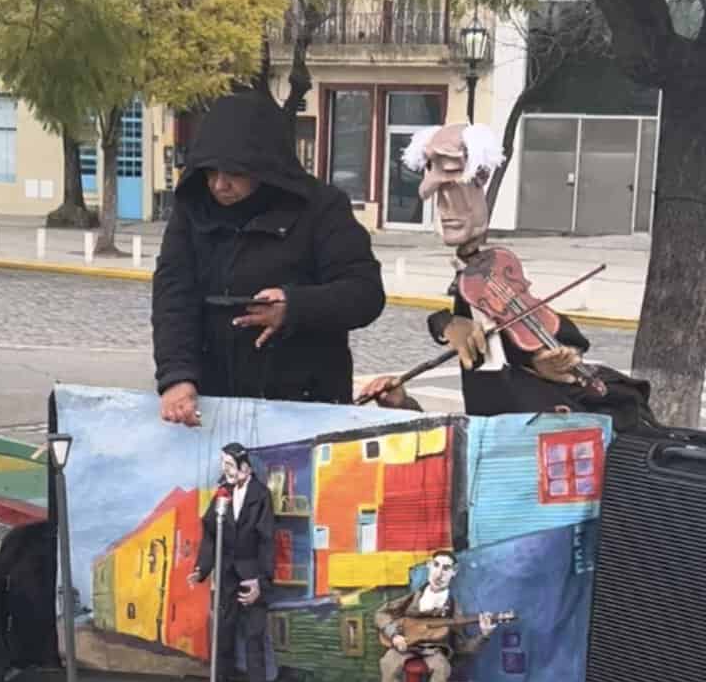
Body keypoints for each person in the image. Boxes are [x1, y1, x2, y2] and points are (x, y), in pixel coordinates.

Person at [360, 123, 654, 427]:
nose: (447, 210)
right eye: (441, 200)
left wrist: (542, 360)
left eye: (460, 197)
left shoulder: (548, 401)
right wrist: (406, 401)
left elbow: (536, 330)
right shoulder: (475, 292)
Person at [153, 88, 385, 423]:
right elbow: (173, 295)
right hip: (213, 399)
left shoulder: (322, 208)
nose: (219, 185)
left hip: (304, 400)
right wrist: (176, 377)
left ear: (264, 168)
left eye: (234, 173)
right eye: (210, 172)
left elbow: (365, 293)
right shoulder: (192, 209)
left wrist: (295, 306)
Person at [374, 551, 499, 682]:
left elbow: (464, 647)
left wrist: (484, 634)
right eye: (437, 566)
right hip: (406, 645)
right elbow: (381, 615)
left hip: (434, 650)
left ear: (453, 572)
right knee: (388, 662)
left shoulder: (453, 608)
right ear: (429, 567)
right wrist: (394, 635)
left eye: (446, 568)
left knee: (441, 668)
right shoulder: (412, 598)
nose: (440, 573)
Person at [188, 443, 275, 682]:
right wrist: (202, 569)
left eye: (229, 465)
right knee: (223, 627)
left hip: (250, 572)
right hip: (226, 572)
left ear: (245, 467)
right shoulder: (221, 495)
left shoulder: (260, 496)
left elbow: (266, 541)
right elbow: (210, 535)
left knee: (254, 631)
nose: (225, 470)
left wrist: (260, 581)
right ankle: (221, 677)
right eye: (223, 465)